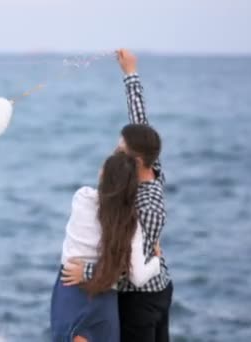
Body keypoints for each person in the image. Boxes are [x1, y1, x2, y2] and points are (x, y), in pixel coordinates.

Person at [61, 49, 173, 342]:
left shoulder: (145, 205)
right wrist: (130, 73)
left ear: (136, 162)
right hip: (157, 289)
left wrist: (86, 271)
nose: (113, 154)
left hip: (141, 301)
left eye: (119, 152)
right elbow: (141, 121)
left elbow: (129, 271)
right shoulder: (150, 166)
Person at [50, 151, 162, 342]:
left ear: (103, 174)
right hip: (103, 296)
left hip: (71, 288)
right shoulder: (130, 223)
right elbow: (139, 276)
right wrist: (156, 261)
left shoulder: (82, 198)